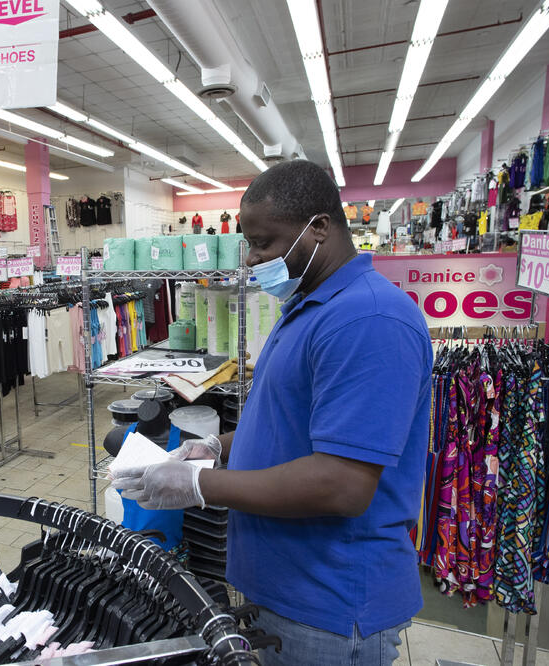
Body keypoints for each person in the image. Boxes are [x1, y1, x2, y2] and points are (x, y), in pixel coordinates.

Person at [111, 160, 432, 665]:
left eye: (265, 243)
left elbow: (343, 484)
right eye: (250, 245)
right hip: (282, 586)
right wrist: (219, 448)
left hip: (327, 603)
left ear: (320, 228)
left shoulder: (369, 321)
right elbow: (285, 422)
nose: (255, 259)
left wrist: (199, 486)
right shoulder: (311, 306)